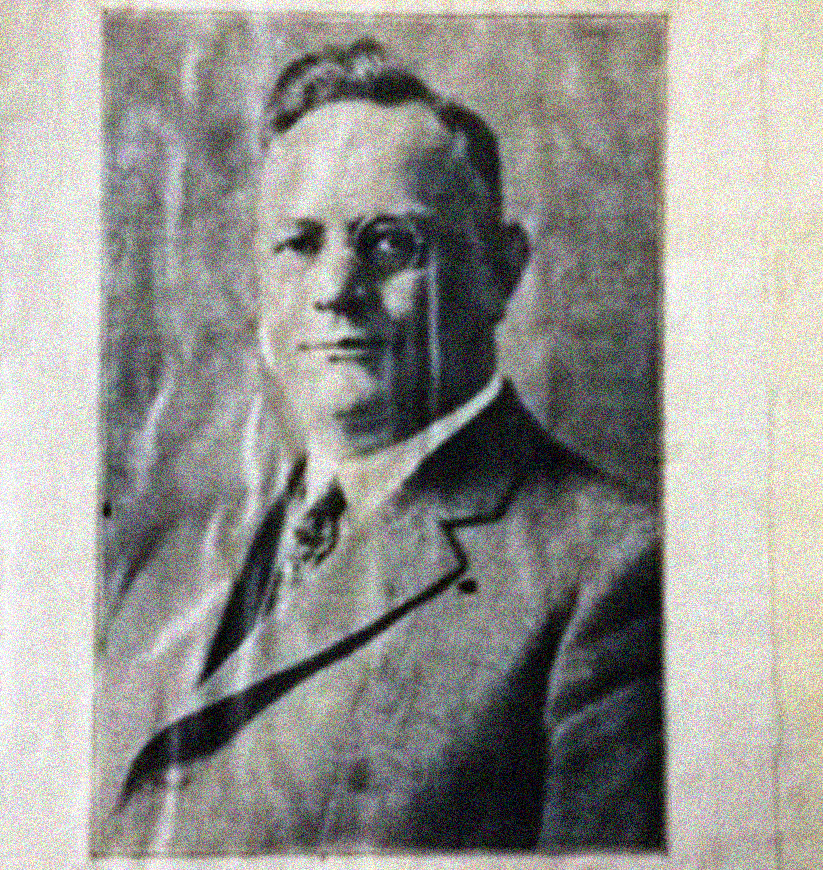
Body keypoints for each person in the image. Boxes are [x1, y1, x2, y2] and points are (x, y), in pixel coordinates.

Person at [94, 40, 663, 855]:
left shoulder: (611, 572)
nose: (335, 290)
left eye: (390, 242)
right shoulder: (167, 568)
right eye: (298, 243)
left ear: (501, 273)